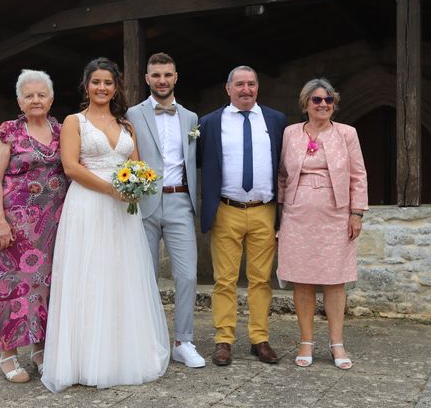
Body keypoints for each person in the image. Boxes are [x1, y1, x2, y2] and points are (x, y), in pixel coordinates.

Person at [41, 57, 169, 393]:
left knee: (119, 276)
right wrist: (112, 189)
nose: (102, 88)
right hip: (87, 205)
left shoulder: (126, 126)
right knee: (88, 275)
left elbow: (136, 164)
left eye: (108, 83)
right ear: (87, 85)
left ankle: (119, 355)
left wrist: (138, 184)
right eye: (96, 82)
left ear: (116, 88)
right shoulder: (74, 121)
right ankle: (83, 359)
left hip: (122, 212)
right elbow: (70, 166)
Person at [0, 69, 68, 383]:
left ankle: (39, 350)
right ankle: (7, 354)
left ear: (51, 98)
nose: (36, 100)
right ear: (19, 100)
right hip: (15, 228)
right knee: (11, 288)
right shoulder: (9, 132)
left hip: (53, 227)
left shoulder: (62, 131)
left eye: (41, 94)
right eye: (29, 95)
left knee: (46, 287)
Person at [198, 65, 287, 366]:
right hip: (227, 209)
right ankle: (224, 339)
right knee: (224, 280)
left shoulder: (275, 121)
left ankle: (259, 339)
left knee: (261, 280)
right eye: (239, 84)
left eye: (251, 84)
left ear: (258, 88)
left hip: (264, 211)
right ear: (228, 89)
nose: (245, 89)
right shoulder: (209, 123)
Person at [276, 78, 368, 369]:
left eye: (329, 100)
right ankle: (306, 341)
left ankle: (337, 343)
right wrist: (278, 216)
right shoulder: (290, 133)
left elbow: (358, 174)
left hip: (335, 214)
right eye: (317, 100)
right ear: (305, 104)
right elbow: (281, 175)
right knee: (302, 279)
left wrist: (357, 212)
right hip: (297, 215)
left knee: (334, 280)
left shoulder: (347, 134)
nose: (324, 105)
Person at [126, 52, 205, 368]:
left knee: (186, 275)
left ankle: (183, 341)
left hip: (180, 202)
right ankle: (146, 341)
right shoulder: (131, 114)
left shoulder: (190, 118)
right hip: (142, 202)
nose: (162, 80)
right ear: (147, 78)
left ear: (176, 77)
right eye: (156, 75)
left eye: (167, 75)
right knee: (144, 276)